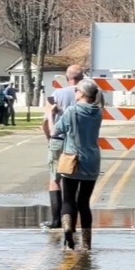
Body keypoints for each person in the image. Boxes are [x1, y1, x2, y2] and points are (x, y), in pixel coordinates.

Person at [52, 78, 103, 250]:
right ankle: (87, 243)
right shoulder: (98, 112)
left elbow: (57, 130)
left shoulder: (72, 111)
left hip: (72, 159)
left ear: (81, 93)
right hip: (92, 160)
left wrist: (50, 115)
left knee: (68, 200)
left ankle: (68, 232)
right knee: (84, 202)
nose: (75, 93)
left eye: (76, 91)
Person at [41, 65, 85, 229]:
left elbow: (47, 119)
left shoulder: (57, 94)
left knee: (55, 179)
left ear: (67, 78)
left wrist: (49, 137)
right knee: (74, 181)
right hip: (79, 141)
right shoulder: (87, 95)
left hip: (59, 139)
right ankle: (71, 219)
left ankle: (56, 219)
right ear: (82, 78)